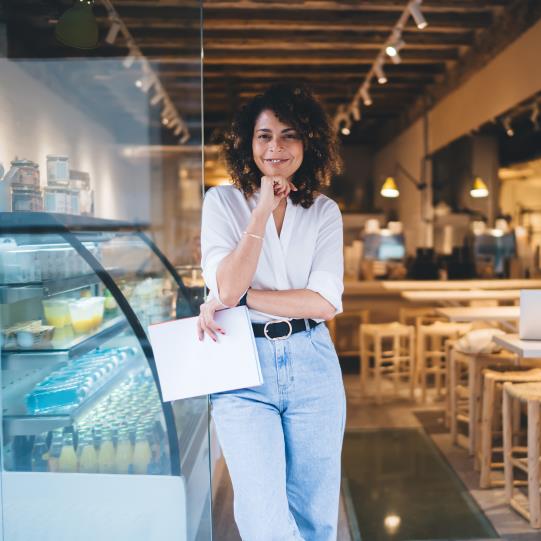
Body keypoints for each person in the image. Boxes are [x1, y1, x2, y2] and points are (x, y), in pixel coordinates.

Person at [198, 84, 345, 541]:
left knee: (315, 518)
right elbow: (225, 282)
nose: (276, 147)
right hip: (242, 367)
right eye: (264, 136)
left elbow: (323, 302)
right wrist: (260, 211)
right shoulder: (222, 203)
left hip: (312, 362)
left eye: (289, 135)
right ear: (248, 142)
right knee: (263, 520)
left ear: (308, 144)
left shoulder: (324, 212)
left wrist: (239, 297)